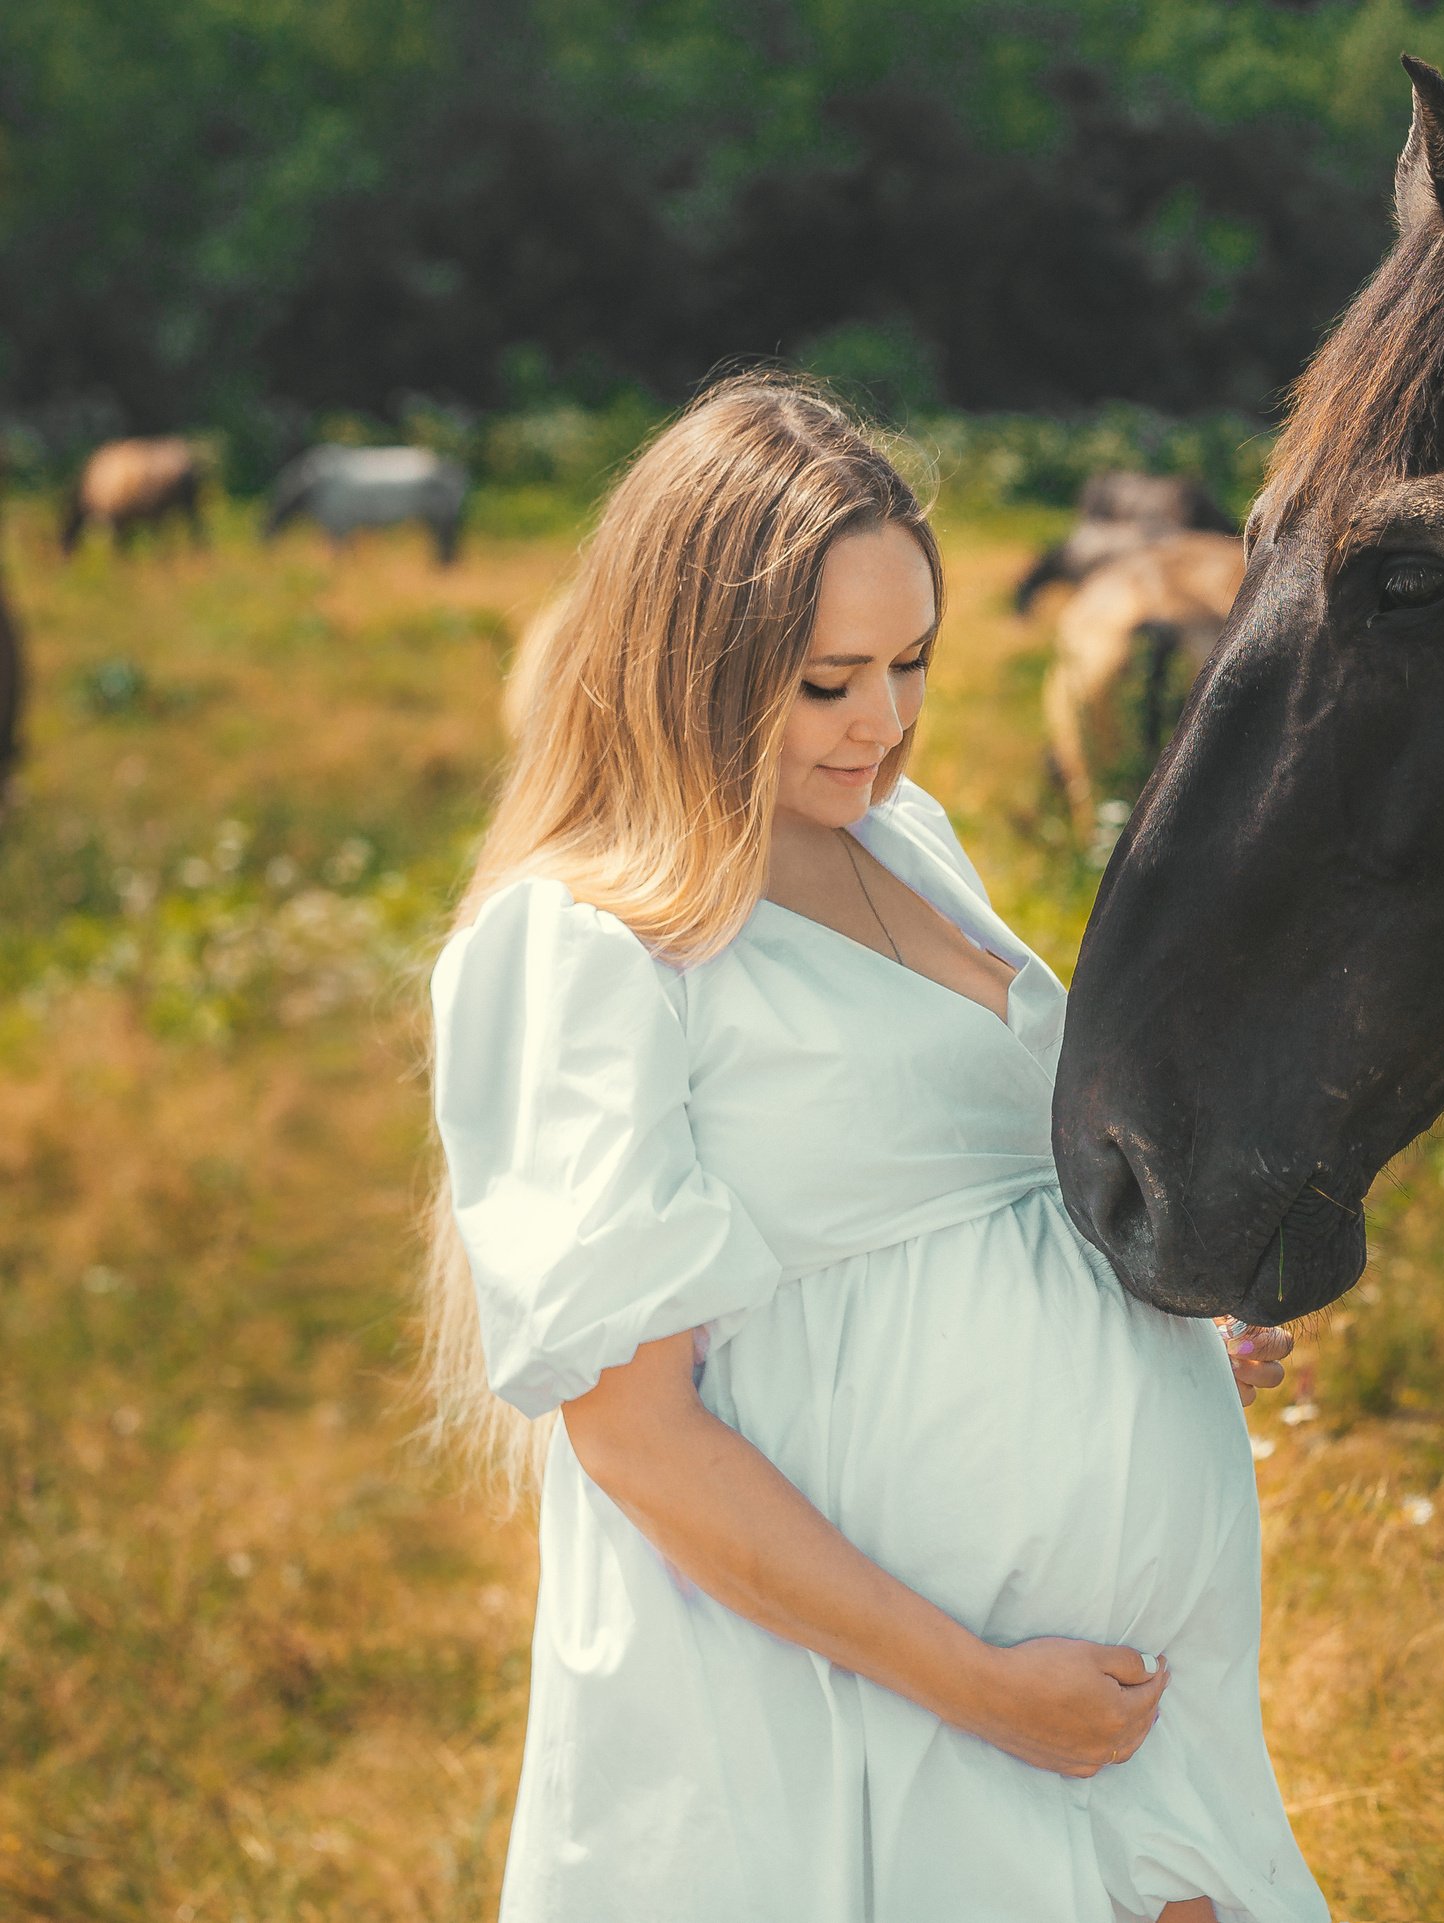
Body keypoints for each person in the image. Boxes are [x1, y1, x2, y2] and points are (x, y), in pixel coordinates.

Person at [420, 373, 1330, 1922]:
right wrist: (975, 1686)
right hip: (865, 1701)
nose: (887, 724)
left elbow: (948, 1194)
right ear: (687, 664)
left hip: (1095, 1706)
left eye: (911, 662)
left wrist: (1129, 1330)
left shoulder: (905, 839)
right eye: (827, 681)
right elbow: (637, 1439)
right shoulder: (583, 948)